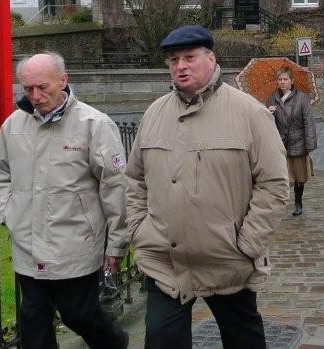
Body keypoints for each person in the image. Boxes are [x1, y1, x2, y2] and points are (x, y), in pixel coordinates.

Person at [124, 26, 289, 348]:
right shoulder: (155, 113)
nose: (180, 66)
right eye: (173, 60)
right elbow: (134, 178)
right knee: (161, 340)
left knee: (243, 339)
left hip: (227, 260)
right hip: (165, 261)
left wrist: (247, 243)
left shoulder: (249, 113)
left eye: (189, 57)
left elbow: (274, 183)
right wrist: (140, 228)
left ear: (211, 59)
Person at [0, 52, 130, 349]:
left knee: (78, 314)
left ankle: (115, 342)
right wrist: (7, 211)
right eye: (28, 89)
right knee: (33, 321)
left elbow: (115, 187)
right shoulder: (14, 125)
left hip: (75, 243)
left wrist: (116, 244)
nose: (36, 96)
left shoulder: (94, 124)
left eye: (43, 87)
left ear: (63, 80)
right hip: (29, 245)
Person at [266, 68, 316, 216]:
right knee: (280, 176)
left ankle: (298, 201)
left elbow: (308, 122)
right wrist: (267, 113)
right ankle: (279, 203)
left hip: (298, 141)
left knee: (299, 176)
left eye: (285, 79)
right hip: (279, 143)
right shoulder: (271, 99)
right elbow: (265, 124)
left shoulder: (302, 98)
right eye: (280, 79)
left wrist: (310, 144)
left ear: (292, 81)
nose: (282, 82)